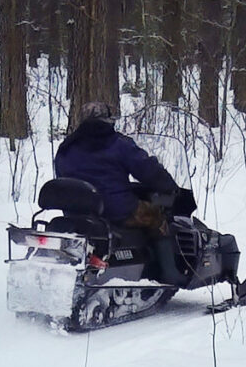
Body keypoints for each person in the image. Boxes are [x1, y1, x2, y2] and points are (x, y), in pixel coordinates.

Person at [54, 101, 185, 284]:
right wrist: (169, 186)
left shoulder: (66, 148)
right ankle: (169, 274)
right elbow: (147, 169)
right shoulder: (117, 144)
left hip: (77, 212)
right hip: (116, 210)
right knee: (157, 216)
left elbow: (62, 175)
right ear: (108, 121)